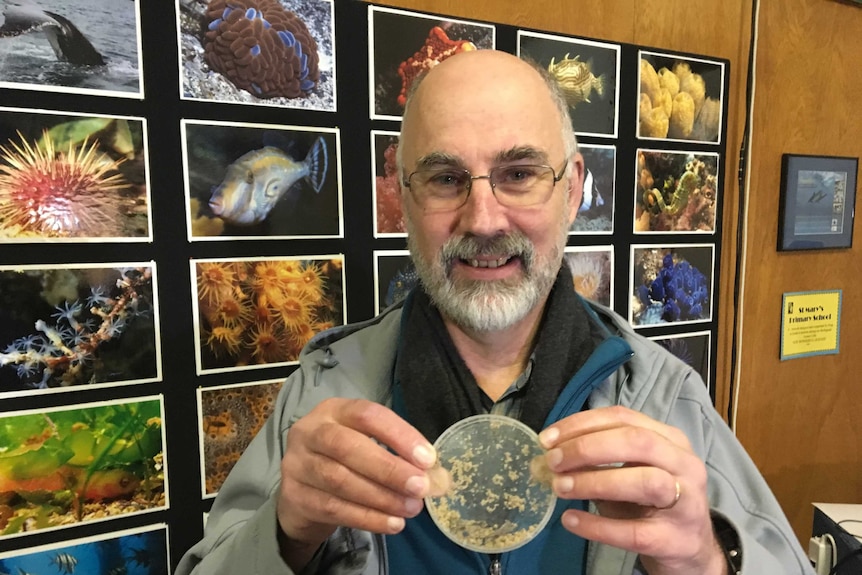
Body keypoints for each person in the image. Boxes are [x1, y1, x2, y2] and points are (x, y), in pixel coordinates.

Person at [177, 50, 813, 575]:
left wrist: (706, 560)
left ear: (570, 192)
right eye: (446, 178)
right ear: (401, 196)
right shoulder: (319, 393)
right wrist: (283, 535)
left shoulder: (666, 399)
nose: (482, 220)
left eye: (518, 173)